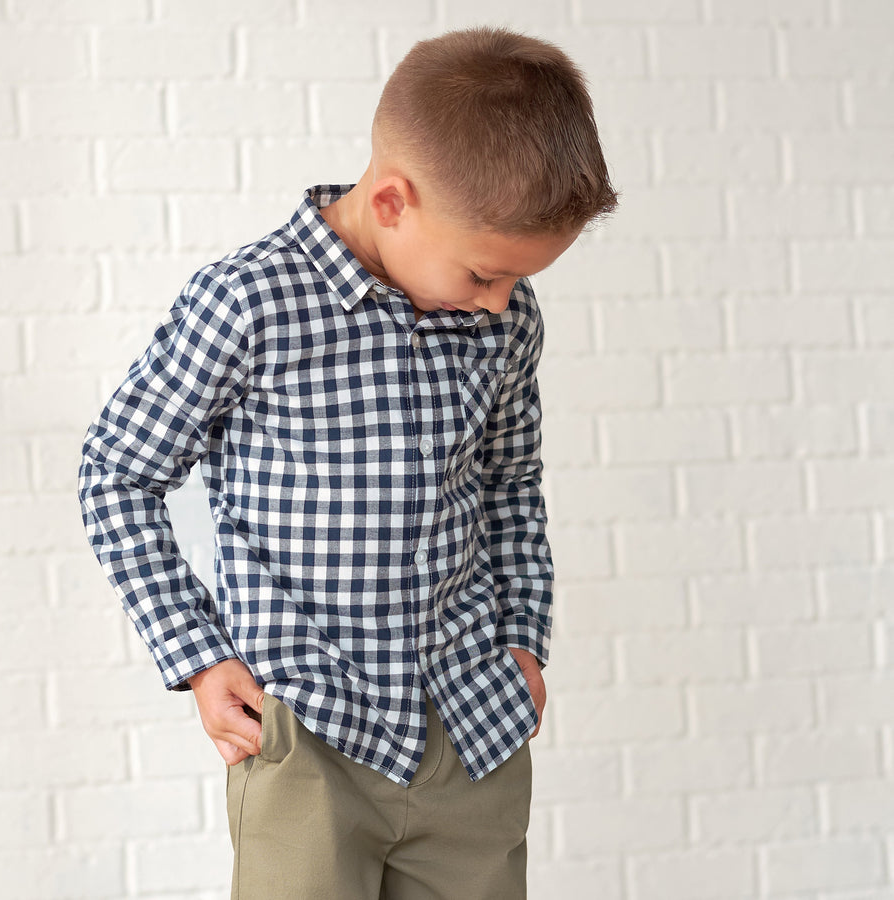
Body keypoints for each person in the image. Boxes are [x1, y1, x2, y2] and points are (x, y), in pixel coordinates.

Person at [79, 26, 617, 900]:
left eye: (518, 281)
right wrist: (200, 656)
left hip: (471, 726)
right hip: (308, 731)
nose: (500, 303)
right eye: (483, 274)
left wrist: (524, 633)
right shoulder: (248, 303)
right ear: (395, 202)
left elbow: (510, 483)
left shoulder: (508, 323)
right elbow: (117, 473)